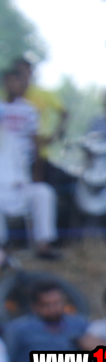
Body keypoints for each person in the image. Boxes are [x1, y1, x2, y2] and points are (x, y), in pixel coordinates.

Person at [0, 68, 60, 259]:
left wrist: (30, 179)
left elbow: (33, 149)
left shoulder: (15, 140)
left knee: (43, 192)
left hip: (18, 187)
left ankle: (43, 245)